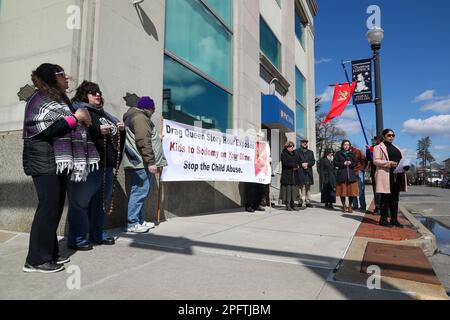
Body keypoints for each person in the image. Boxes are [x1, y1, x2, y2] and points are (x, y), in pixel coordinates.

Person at [22, 63, 92, 273]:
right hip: (43, 161)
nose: (67, 78)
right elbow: (47, 129)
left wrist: (79, 119)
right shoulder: (39, 99)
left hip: (55, 161)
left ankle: (49, 253)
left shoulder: (57, 99)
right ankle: (36, 260)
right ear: (53, 77)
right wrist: (75, 118)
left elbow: (65, 123)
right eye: (63, 75)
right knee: (48, 208)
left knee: (54, 209)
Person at [67, 81, 126, 250]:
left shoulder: (106, 115)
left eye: (98, 92)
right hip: (88, 165)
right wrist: (96, 130)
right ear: (84, 94)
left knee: (101, 204)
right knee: (80, 203)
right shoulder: (77, 109)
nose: (97, 94)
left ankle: (98, 234)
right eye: (92, 92)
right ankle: (77, 239)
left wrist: (121, 131)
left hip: (106, 166)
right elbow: (73, 131)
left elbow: (116, 142)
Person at [123, 96, 167, 232]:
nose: (153, 113)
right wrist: (151, 162)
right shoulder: (140, 118)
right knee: (139, 192)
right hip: (140, 162)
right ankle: (133, 223)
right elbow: (143, 141)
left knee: (141, 192)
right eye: (153, 110)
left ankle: (139, 220)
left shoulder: (137, 117)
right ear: (148, 108)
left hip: (140, 162)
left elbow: (145, 138)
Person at [374, 129, 408, 227]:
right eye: (389, 135)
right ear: (384, 136)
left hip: (398, 175)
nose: (391, 137)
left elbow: (402, 160)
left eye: (393, 135)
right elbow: (376, 161)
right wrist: (388, 163)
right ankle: (383, 220)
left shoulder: (397, 147)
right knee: (386, 198)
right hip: (386, 175)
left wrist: (405, 166)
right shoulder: (378, 147)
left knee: (395, 198)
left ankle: (394, 219)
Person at [334, 140, 359, 213]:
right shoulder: (338, 153)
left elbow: (356, 162)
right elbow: (335, 163)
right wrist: (343, 163)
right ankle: (344, 205)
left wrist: (351, 163)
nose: (346, 146)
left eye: (348, 145)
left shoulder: (352, 154)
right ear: (342, 145)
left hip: (351, 175)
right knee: (342, 191)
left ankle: (350, 206)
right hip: (342, 174)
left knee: (351, 192)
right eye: (345, 144)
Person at [295, 139, 316, 208]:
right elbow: (295, 161)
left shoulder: (311, 152)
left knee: (308, 187)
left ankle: (308, 201)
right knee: (300, 187)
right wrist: (301, 164)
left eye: (306, 143)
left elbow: (313, 161)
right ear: (301, 143)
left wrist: (308, 164)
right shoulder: (297, 151)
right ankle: (300, 201)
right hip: (300, 171)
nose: (305, 144)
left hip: (308, 171)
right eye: (303, 143)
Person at [280, 141, 300, 211]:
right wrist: (294, 165)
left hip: (294, 174)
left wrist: (298, 166)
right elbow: (285, 163)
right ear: (286, 147)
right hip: (287, 174)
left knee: (293, 190)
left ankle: (293, 204)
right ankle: (287, 204)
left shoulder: (295, 154)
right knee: (288, 190)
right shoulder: (284, 154)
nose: (291, 147)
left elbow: (299, 161)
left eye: (292, 146)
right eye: (290, 146)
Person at [366, 136, 382, 214]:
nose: (377, 140)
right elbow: (369, 158)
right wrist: (368, 150)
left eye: (379, 139)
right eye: (376, 139)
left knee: (383, 191)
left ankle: (384, 207)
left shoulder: (384, 147)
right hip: (374, 172)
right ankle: (378, 207)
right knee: (376, 191)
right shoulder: (372, 148)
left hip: (383, 172)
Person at [351, 145, 367, 211]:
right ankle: (355, 205)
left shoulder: (357, 151)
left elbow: (364, 160)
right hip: (351, 173)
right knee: (353, 189)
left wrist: (361, 169)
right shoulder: (345, 153)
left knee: (361, 190)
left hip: (359, 171)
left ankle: (362, 206)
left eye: (347, 145)